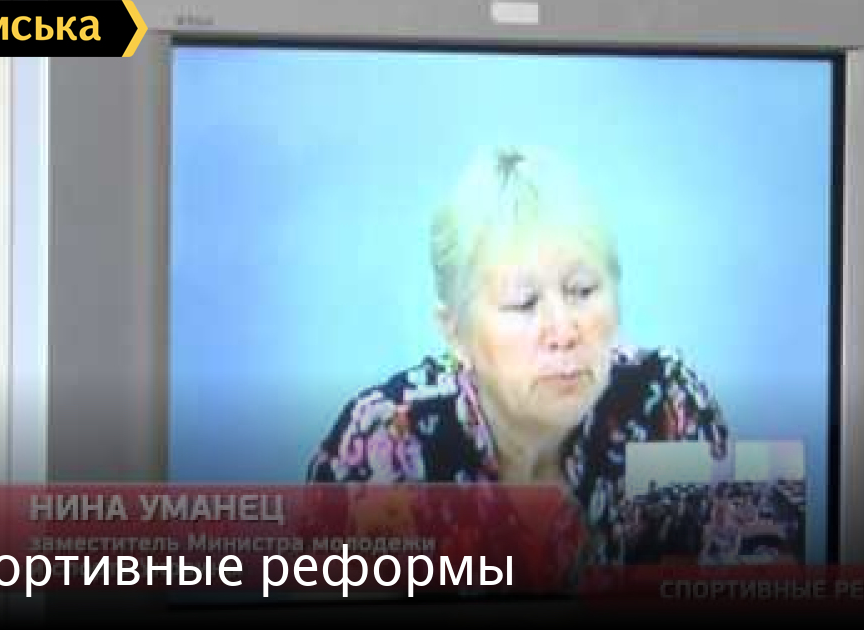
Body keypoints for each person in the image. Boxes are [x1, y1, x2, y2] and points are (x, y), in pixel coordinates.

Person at [306, 145, 730, 566]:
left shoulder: (665, 404)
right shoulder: (386, 442)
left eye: (582, 290)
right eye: (523, 302)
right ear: (455, 333)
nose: (563, 331)